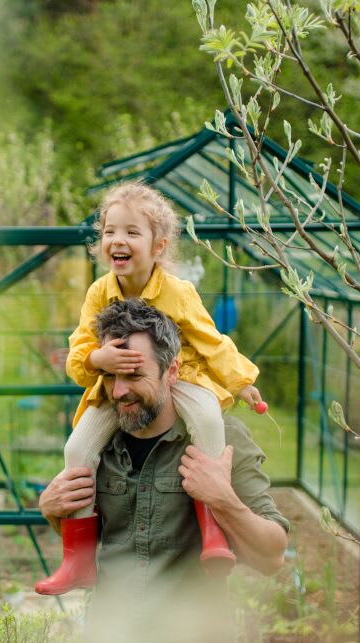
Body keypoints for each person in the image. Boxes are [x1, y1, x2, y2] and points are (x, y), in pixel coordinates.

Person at [38, 300, 288, 643]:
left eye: (134, 375)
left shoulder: (221, 438)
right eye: (111, 377)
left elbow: (273, 554)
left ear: (172, 372)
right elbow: (96, 536)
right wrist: (52, 508)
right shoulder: (100, 443)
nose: (119, 391)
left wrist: (222, 500)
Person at [36, 181, 265, 595]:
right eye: (109, 231)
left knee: (210, 422)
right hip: (115, 388)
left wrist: (242, 380)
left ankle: (212, 531)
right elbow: (78, 351)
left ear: (158, 245)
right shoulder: (98, 293)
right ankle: (78, 559)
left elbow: (210, 339)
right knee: (76, 450)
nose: (117, 241)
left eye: (131, 232)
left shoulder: (178, 293)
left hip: (179, 381)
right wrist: (97, 359)